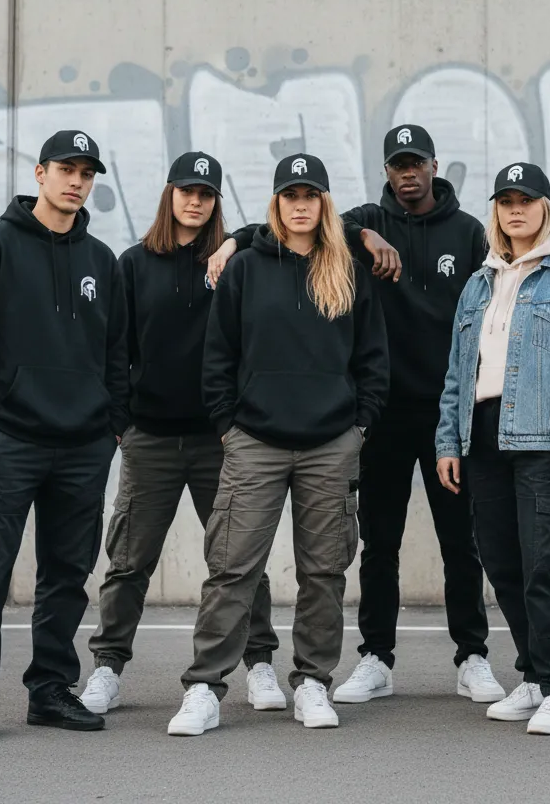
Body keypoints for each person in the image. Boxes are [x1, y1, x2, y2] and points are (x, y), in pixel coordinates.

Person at [210, 125, 503, 705]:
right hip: (382, 416)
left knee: (459, 542)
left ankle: (472, 655)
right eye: (398, 164)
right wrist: (230, 244)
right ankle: (376, 658)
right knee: (379, 544)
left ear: (434, 164)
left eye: (417, 162)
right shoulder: (365, 222)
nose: (408, 172)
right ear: (386, 170)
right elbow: (293, 221)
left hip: (448, 414)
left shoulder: (469, 232)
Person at [167, 154, 389, 736]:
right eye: (291, 195)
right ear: (276, 202)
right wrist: (229, 426)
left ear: (324, 203)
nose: (300, 205)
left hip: (330, 444)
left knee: (324, 572)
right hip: (255, 442)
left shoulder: (349, 270)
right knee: (231, 568)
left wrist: (359, 428)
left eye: (310, 195)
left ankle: (313, 681)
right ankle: (204, 688)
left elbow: (373, 359)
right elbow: (219, 356)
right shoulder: (245, 268)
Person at [79, 152, 282, 717]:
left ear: (217, 202)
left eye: (206, 193)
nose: (195, 201)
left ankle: (260, 663)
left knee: (239, 561)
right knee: (128, 561)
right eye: (187, 191)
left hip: (221, 442)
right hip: (149, 438)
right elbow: (113, 350)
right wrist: (121, 424)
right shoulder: (132, 264)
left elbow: (281, 229)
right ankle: (107, 668)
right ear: (169, 194)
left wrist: (233, 242)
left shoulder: (236, 263)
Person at [0, 130, 128, 744]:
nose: (77, 182)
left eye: (87, 173)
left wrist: (111, 426)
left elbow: (117, 352)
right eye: (66, 169)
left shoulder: (101, 260)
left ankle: (50, 691)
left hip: (83, 446)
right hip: (10, 442)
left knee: (66, 576)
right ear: (41, 173)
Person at [436, 162, 550, 736]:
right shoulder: (478, 283)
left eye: (526, 200)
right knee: (503, 564)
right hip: (483, 438)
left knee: (547, 566)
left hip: (544, 439)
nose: (516, 210)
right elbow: (458, 373)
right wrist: (448, 440)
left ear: (545, 208)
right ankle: (535, 675)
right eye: (506, 201)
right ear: (496, 211)